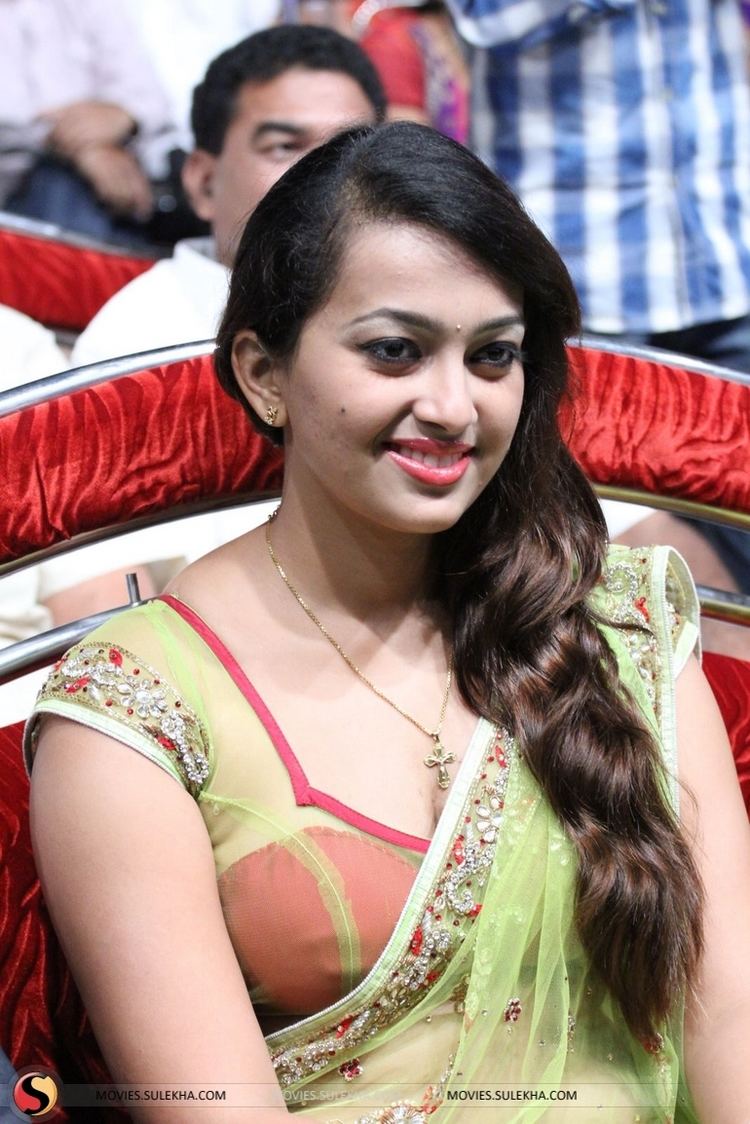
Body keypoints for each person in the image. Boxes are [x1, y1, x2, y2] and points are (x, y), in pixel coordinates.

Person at [26, 124, 750, 1121]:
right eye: (395, 350)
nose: (454, 405)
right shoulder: (134, 708)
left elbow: (729, 1017)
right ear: (263, 371)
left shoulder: (612, 623)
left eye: (494, 355)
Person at [71, 25, 386, 367]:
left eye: (346, 149)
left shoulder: (411, 308)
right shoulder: (131, 350)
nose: (323, 174)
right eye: (284, 147)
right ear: (204, 183)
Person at [0, 0, 173, 247]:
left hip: (122, 177)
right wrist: (86, 150)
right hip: (19, 191)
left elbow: (151, 98)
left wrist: (123, 115)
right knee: (59, 183)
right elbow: (9, 120)